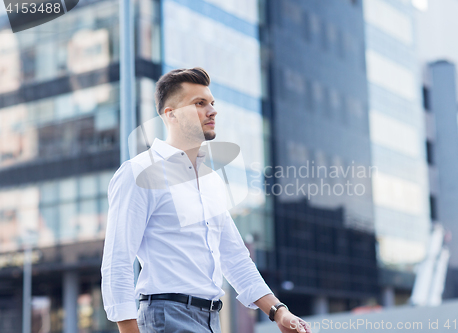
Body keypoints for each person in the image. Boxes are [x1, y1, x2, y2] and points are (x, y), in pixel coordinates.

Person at [101, 67, 312, 333]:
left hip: (211, 319)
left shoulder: (211, 180)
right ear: (171, 114)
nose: (212, 111)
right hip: (166, 317)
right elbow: (117, 260)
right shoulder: (140, 172)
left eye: (212, 103)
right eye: (199, 104)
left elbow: (235, 257)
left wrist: (278, 311)